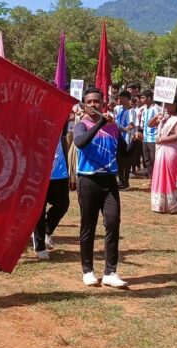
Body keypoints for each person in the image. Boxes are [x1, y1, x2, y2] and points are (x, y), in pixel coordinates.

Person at [73, 87, 135, 288]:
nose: (93, 105)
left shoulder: (113, 128)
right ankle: (88, 270)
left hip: (109, 182)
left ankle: (110, 272)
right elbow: (80, 143)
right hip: (88, 181)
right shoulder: (81, 125)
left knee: (113, 222)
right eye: (89, 102)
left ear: (103, 103)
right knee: (88, 227)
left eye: (97, 101)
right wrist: (100, 122)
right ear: (84, 105)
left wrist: (135, 140)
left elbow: (124, 153)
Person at [32, 131, 71, 260]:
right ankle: (40, 246)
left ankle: (46, 232)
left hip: (59, 172)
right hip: (38, 172)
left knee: (63, 204)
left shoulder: (59, 118)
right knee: (39, 210)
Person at [148, 97, 177, 213]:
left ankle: (171, 204)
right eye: (165, 104)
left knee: (169, 176)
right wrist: (156, 118)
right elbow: (150, 125)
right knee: (159, 174)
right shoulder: (163, 116)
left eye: (169, 104)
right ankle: (159, 204)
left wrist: (162, 139)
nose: (166, 106)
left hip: (171, 150)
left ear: (175, 105)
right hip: (161, 149)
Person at [114, 91, 136, 189]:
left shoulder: (131, 111)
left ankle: (125, 181)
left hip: (126, 138)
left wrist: (122, 128)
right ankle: (121, 180)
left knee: (125, 160)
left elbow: (132, 125)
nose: (120, 100)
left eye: (122, 98)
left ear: (127, 99)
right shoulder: (119, 109)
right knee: (119, 160)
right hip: (118, 138)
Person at [140, 90, 161, 180]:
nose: (141, 99)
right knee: (147, 160)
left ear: (149, 98)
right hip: (145, 138)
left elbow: (159, 122)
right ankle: (151, 177)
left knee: (154, 159)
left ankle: (157, 178)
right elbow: (143, 123)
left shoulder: (156, 109)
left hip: (153, 138)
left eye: (143, 97)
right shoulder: (144, 109)